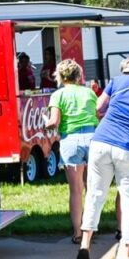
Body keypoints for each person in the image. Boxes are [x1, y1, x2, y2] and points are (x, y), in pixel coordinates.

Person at [77, 58, 129, 259]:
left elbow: (98, 107)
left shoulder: (118, 81)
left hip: (101, 141)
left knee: (95, 194)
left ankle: (85, 244)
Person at [45, 59, 98, 243]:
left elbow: (54, 121)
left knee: (76, 190)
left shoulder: (58, 95)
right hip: (93, 138)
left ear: (60, 76)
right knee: (91, 189)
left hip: (71, 139)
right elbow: (97, 114)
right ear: (79, 75)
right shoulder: (89, 92)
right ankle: (91, 230)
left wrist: (46, 125)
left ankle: (77, 233)